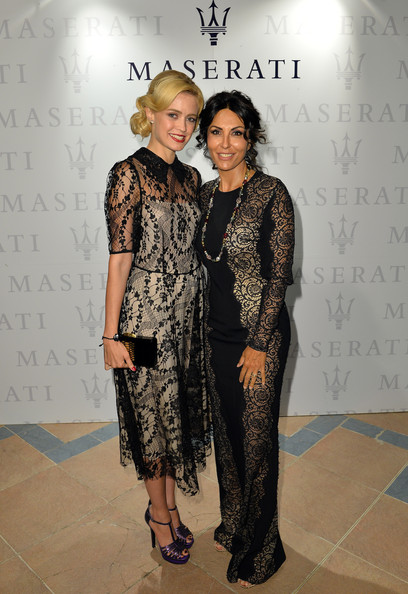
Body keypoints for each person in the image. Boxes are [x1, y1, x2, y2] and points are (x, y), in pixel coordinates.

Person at [101, 70, 211, 565]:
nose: (182, 127)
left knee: (175, 417)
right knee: (150, 419)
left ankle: (167, 506)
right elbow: (120, 260)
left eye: (191, 118)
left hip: (186, 320)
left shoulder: (192, 178)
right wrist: (111, 335)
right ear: (149, 113)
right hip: (141, 320)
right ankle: (160, 515)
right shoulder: (127, 173)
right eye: (173, 115)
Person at [195, 90, 294, 587]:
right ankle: (234, 523)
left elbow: (278, 278)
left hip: (261, 339)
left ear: (250, 138)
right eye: (216, 132)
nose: (226, 143)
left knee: (256, 444)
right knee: (229, 439)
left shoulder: (272, 193)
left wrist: (258, 344)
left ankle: (263, 549)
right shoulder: (204, 195)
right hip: (216, 338)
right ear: (205, 137)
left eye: (236, 133)